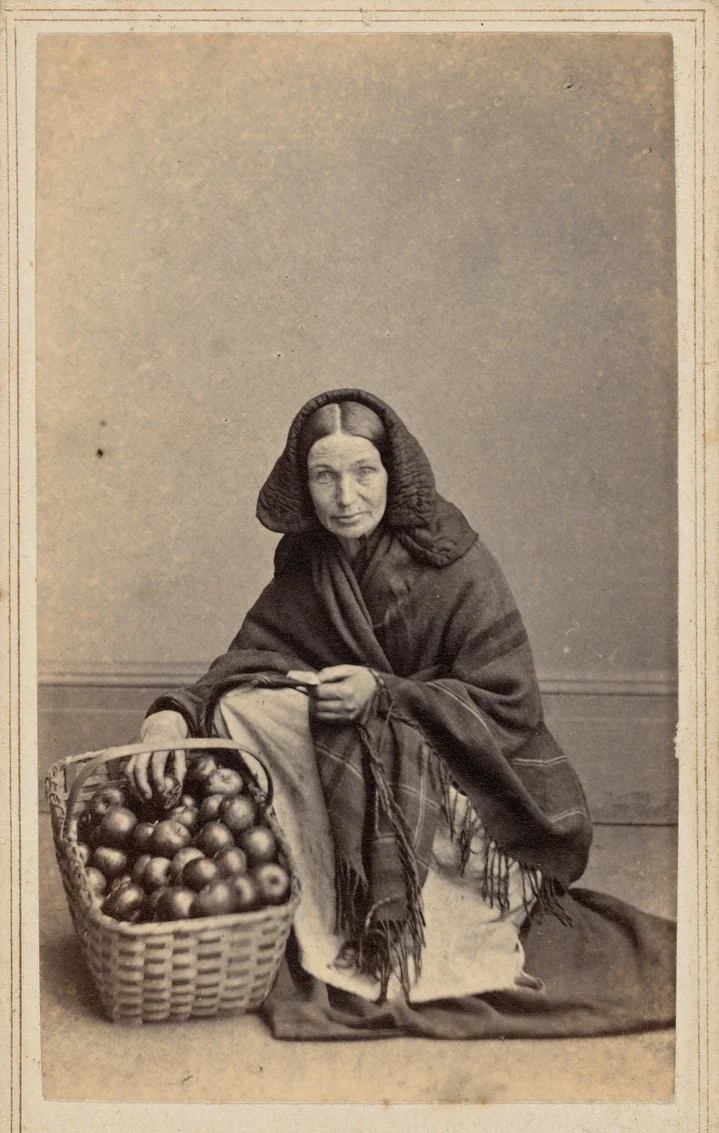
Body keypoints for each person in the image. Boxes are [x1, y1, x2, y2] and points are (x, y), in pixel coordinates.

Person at [127, 388, 675, 1038]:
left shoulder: (454, 564)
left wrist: (385, 696)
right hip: (374, 773)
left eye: (363, 472)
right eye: (323, 476)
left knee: (353, 725)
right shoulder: (313, 561)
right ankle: (339, 895)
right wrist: (173, 715)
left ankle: (421, 915)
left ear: (394, 474)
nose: (345, 496)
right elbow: (252, 656)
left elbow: (508, 704)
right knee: (247, 707)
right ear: (304, 484)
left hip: (465, 784)